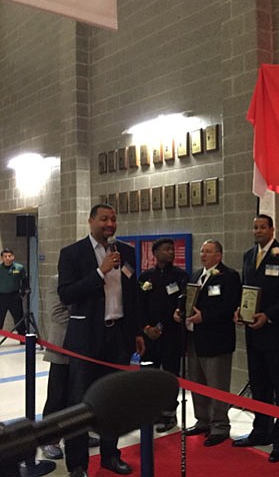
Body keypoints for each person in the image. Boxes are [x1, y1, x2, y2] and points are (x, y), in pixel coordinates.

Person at [58, 204, 145, 477]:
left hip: (118, 336)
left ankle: (110, 455)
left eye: (114, 219)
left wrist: (137, 331)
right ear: (91, 221)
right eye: (104, 219)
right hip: (86, 339)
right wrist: (100, 272)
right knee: (79, 403)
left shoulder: (126, 253)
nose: (110, 224)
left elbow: (132, 297)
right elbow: (66, 294)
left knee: (114, 400)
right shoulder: (72, 253)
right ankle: (78, 464)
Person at [233, 215, 279, 462]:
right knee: (259, 384)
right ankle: (261, 431)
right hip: (253, 332)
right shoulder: (249, 256)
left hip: (276, 333)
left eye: (263, 227)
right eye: (255, 227)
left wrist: (268, 316)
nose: (258, 231)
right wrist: (241, 310)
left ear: (272, 229)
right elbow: (246, 289)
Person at [176, 239, 241, 447]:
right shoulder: (196, 275)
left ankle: (220, 426)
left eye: (208, 252)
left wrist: (205, 317)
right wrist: (180, 311)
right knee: (197, 382)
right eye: (202, 251)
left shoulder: (228, 276)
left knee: (216, 384)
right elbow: (188, 299)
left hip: (216, 340)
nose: (203, 255)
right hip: (195, 338)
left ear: (219, 255)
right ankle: (202, 420)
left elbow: (229, 306)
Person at [39, 275, 100, 460]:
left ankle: (78, 435)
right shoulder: (57, 280)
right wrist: (85, 328)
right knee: (57, 395)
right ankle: (50, 439)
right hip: (63, 346)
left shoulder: (90, 280)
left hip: (86, 349)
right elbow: (56, 313)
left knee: (80, 395)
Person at [138, 237, 189, 432]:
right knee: (150, 375)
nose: (171, 252)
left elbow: (181, 303)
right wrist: (146, 327)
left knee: (170, 375)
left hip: (171, 335)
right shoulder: (146, 277)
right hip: (150, 335)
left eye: (172, 249)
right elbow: (139, 305)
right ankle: (152, 412)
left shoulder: (180, 276)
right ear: (155, 253)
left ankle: (169, 414)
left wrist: (163, 326)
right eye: (166, 249)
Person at [0, 248, 28, 337]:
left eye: (9, 256)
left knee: (19, 317)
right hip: (2, 297)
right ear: (2, 258)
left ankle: (22, 337)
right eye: (5, 256)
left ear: (13, 257)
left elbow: (25, 280)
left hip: (14, 296)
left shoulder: (19, 268)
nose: (7, 258)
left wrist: (23, 292)